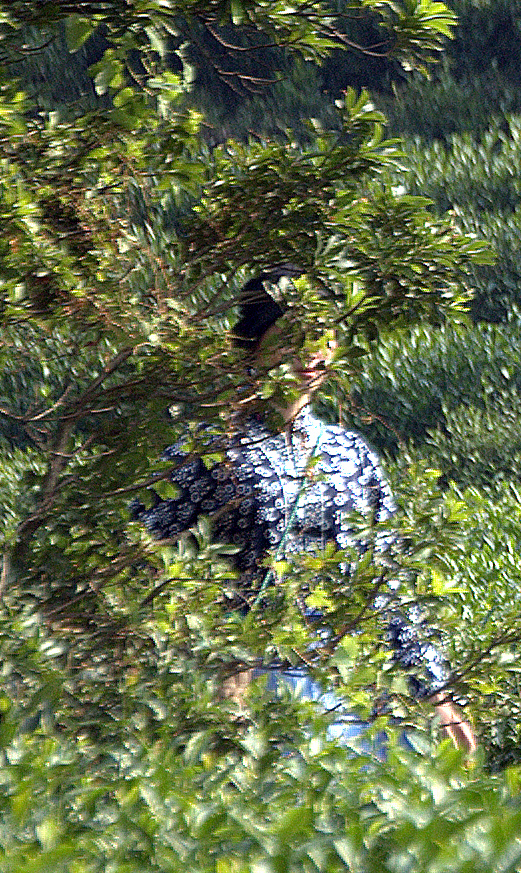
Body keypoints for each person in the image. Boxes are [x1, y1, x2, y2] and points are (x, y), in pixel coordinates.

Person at [138, 273, 477, 757]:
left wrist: (437, 691)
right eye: (291, 339)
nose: (311, 354)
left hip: (350, 679)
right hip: (248, 683)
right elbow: (150, 565)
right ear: (252, 348)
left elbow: (385, 582)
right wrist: (219, 661)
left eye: (323, 339)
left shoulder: (348, 453)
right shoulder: (205, 450)